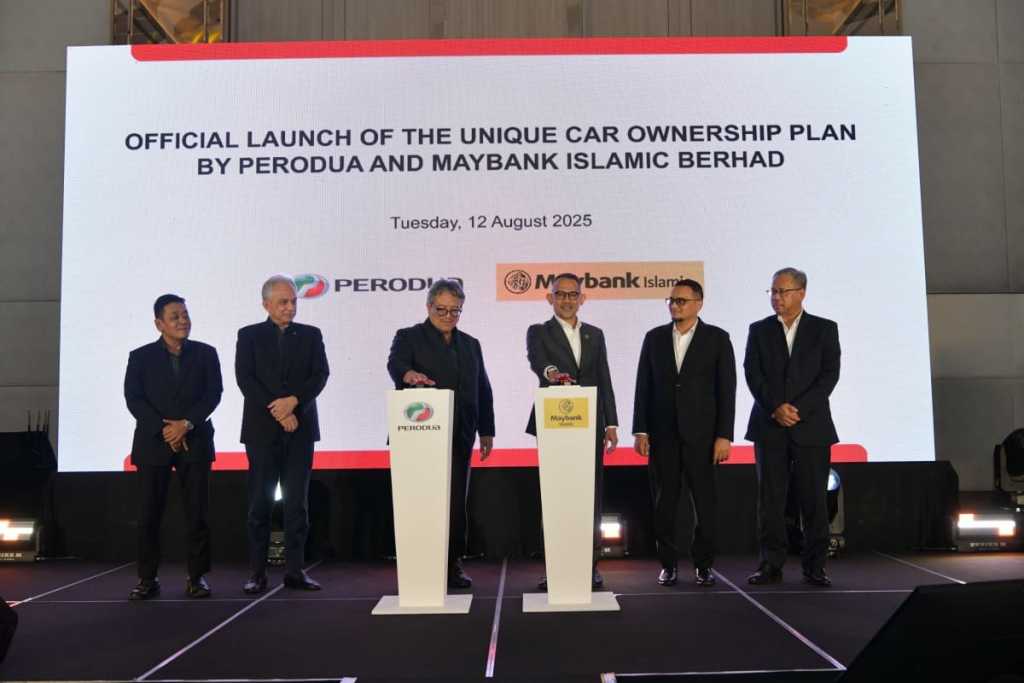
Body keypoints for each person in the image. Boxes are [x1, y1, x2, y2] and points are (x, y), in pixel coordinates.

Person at [387, 278, 495, 588]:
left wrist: (487, 430)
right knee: (420, 502)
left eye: (455, 311)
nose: (448, 316)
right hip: (418, 435)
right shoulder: (408, 336)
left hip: (460, 433)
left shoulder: (471, 344)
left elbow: (483, 388)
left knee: (454, 502)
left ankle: (452, 563)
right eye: (442, 310)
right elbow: (395, 365)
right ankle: (419, 564)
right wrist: (408, 374)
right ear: (428, 306)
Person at [632, 279, 735, 587]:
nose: (675, 305)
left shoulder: (717, 338)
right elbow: (643, 386)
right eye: (671, 300)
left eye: (681, 301)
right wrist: (641, 430)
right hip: (663, 436)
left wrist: (724, 435)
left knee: (705, 505)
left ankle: (703, 565)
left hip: (703, 438)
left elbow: (726, 390)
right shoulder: (654, 338)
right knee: (664, 505)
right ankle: (668, 565)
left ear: (698, 304)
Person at [744, 267, 840, 587]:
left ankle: (815, 566)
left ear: (801, 293)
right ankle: (770, 564)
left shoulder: (824, 329)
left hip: (811, 426)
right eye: (773, 291)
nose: (776, 298)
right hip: (769, 426)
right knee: (770, 501)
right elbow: (752, 373)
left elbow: (829, 375)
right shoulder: (759, 330)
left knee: (814, 500)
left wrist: (798, 410)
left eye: (782, 291)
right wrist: (775, 408)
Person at [124, 294, 223, 600]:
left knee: (197, 514)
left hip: (196, 440)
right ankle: (147, 579)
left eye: (185, 315)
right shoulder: (140, 357)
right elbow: (134, 399)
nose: (183, 321)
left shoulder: (206, 353)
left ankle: (197, 577)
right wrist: (165, 429)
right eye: (175, 316)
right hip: (153, 443)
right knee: (149, 515)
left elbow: (213, 394)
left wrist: (186, 424)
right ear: (159, 324)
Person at [236, 275, 329, 593]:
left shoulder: (311, 335)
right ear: (266, 304)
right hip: (262, 431)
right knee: (259, 503)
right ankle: (256, 572)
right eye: (283, 302)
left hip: (300, 430)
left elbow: (320, 375)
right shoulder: (248, 335)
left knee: (297, 504)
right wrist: (279, 411)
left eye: (293, 301)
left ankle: (295, 571)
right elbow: (245, 379)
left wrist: (294, 402)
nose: (290, 307)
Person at [526, 273, 618, 590]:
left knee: (590, 496)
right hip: (554, 424)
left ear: (582, 298)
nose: (566, 299)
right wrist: (552, 373)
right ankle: (555, 567)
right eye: (560, 294)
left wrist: (611, 423)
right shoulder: (539, 331)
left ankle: (589, 565)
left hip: (590, 425)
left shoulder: (596, 334)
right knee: (556, 496)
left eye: (572, 294)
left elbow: (604, 378)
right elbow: (538, 361)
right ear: (549, 298)